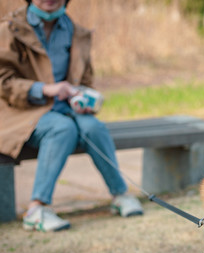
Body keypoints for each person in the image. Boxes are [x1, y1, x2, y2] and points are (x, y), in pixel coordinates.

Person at [0, 0, 144, 232]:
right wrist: (46, 89)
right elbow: (3, 82)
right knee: (62, 129)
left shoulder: (77, 33)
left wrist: (86, 99)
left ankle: (121, 195)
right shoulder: (9, 29)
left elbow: (85, 81)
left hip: (68, 110)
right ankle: (37, 209)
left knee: (93, 127)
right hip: (21, 113)